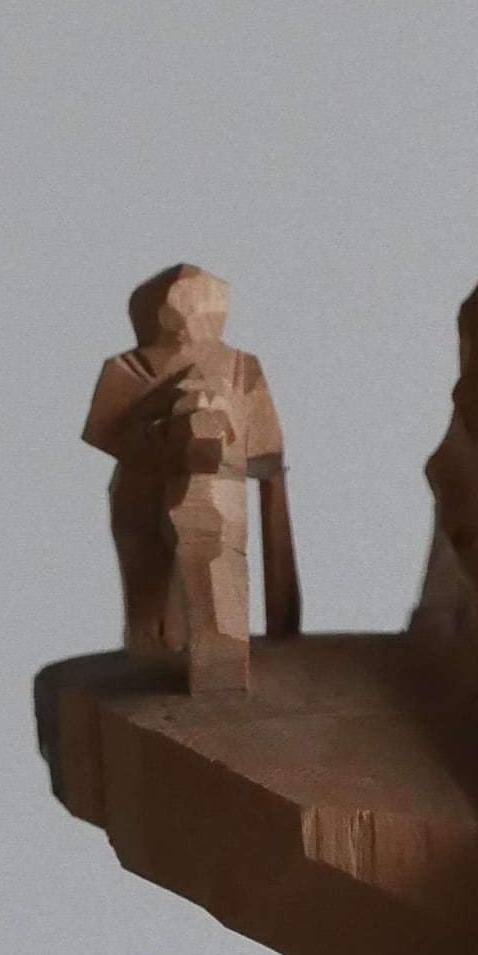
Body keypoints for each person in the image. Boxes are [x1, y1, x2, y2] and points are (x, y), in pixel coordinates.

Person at [83, 267, 300, 694]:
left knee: (215, 572)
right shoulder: (128, 368)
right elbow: (105, 432)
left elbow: (266, 448)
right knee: (151, 612)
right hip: (142, 493)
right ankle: (164, 653)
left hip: (216, 484)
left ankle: (219, 665)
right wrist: (160, 433)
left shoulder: (240, 367)